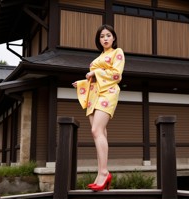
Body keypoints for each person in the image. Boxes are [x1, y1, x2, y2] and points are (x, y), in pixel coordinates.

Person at [72, 24, 125, 191]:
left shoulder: (118, 52)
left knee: (96, 130)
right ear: (99, 40)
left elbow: (117, 75)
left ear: (114, 37)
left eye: (108, 35)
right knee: (99, 134)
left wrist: (95, 73)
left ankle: (103, 172)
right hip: (94, 95)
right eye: (102, 36)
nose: (105, 38)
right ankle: (100, 173)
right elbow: (92, 78)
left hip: (108, 92)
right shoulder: (98, 58)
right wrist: (82, 83)